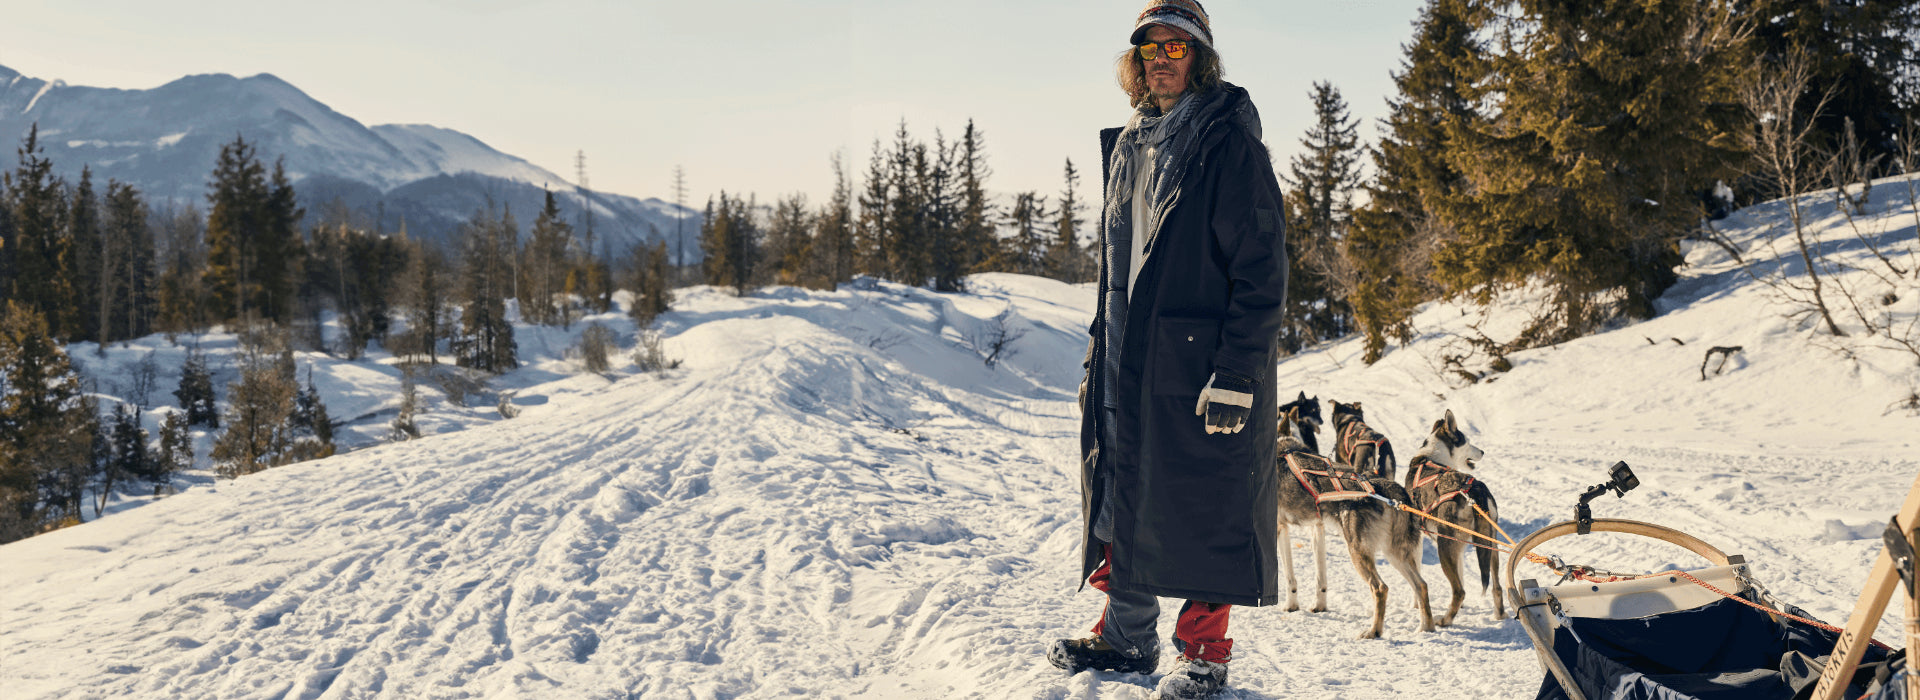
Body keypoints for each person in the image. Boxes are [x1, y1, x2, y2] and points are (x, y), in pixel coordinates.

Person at [1047, 1, 1287, 698]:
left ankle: (1203, 654)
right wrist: (1101, 354)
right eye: (1150, 47)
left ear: (1201, 58)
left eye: (1177, 48)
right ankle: (1126, 637)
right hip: (1129, 356)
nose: (1161, 58)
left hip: (1203, 365)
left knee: (1205, 506)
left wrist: (1239, 369)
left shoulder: (1226, 144)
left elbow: (1262, 271)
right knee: (1124, 494)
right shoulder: (1131, 145)